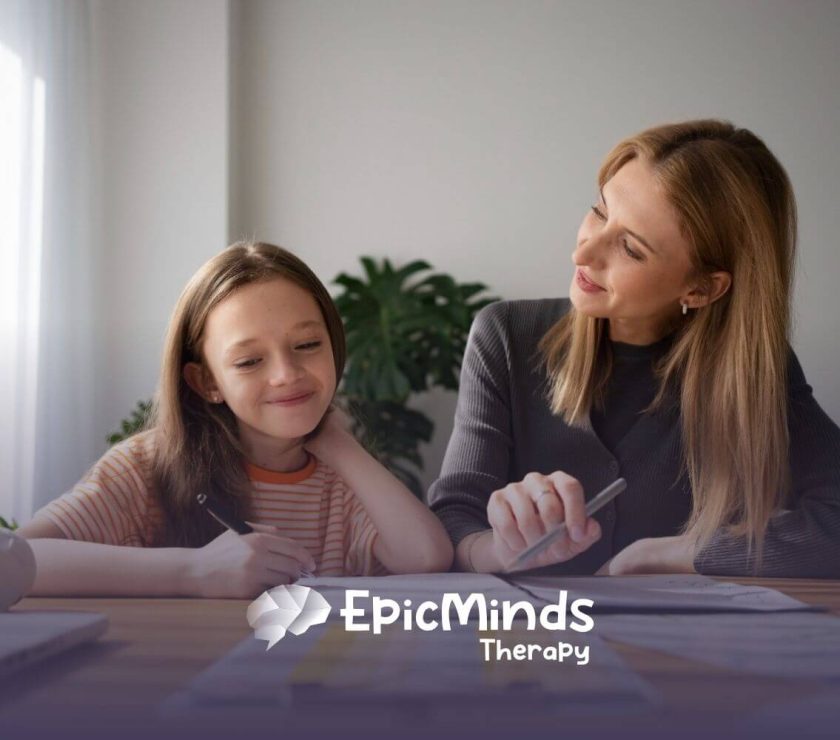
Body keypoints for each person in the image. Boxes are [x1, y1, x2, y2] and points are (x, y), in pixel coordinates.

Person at [429, 119, 840, 578]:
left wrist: (669, 554)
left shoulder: (753, 373)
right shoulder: (505, 335)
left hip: (683, 650)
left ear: (702, 288)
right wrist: (498, 550)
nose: (583, 254)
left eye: (630, 248)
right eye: (600, 212)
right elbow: (451, 521)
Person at [19, 242, 453, 597]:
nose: (286, 374)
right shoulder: (144, 467)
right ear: (206, 381)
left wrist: (340, 444)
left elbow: (427, 557)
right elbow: (17, 558)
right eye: (249, 361)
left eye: (307, 345)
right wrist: (193, 570)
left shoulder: (344, 479)